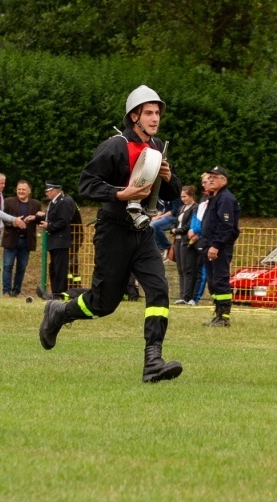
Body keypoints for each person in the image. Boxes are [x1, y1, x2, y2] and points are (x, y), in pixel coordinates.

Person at [38, 84, 183, 383]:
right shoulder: (115, 146)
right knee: (103, 304)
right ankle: (59, 312)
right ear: (134, 117)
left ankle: (153, 360)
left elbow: (173, 192)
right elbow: (86, 184)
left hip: (141, 232)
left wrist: (169, 179)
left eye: (157, 113)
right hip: (112, 231)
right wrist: (121, 193)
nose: (155, 118)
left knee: (159, 289)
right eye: (149, 113)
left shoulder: (156, 148)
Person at [201, 166, 240, 327]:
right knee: (213, 281)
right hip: (209, 244)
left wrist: (216, 246)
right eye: (209, 177)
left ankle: (224, 317)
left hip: (219, 247)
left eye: (215, 177)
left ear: (224, 180)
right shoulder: (215, 197)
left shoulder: (225, 199)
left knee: (220, 280)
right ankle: (218, 314)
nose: (210, 179)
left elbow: (226, 226)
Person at [0, 172, 25, 296]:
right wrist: (14, 219)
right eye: (2, 183)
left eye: (4, 183)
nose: (4, 185)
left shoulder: (0, 194)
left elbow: (1, 211)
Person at [36, 181, 77, 299]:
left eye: (48, 191)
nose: (46, 193)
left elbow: (63, 222)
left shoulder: (63, 202)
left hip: (61, 241)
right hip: (54, 241)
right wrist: (37, 218)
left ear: (55, 190)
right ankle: (55, 293)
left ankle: (60, 293)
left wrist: (49, 226)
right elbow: (51, 217)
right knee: (54, 268)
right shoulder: (54, 203)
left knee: (60, 269)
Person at [1, 180, 41, 297]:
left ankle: (16, 292)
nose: (21, 191)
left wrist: (34, 218)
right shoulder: (8, 202)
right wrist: (12, 224)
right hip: (11, 239)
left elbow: (40, 220)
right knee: (7, 266)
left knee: (21, 267)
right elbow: (2, 219)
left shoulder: (36, 204)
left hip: (26, 240)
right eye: (19, 189)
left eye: (23, 189)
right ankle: (6, 292)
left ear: (29, 191)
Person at [171, 185, 199, 305]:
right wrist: (173, 229)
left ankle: (187, 296)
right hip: (177, 241)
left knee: (188, 269)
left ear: (191, 196)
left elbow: (189, 225)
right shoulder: (181, 208)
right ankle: (182, 295)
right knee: (181, 269)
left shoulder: (195, 208)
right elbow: (176, 221)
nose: (183, 199)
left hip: (187, 241)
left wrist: (177, 230)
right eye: (181, 196)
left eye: (185, 196)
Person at [188, 173, 211, 303]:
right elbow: (197, 216)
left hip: (205, 238)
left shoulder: (214, 198)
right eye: (202, 182)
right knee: (195, 269)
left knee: (203, 271)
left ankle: (195, 299)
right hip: (197, 237)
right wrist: (192, 229)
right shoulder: (203, 197)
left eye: (206, 181)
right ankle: (190, 297)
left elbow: (206, 219)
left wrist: (197, 230)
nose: (204, 184)